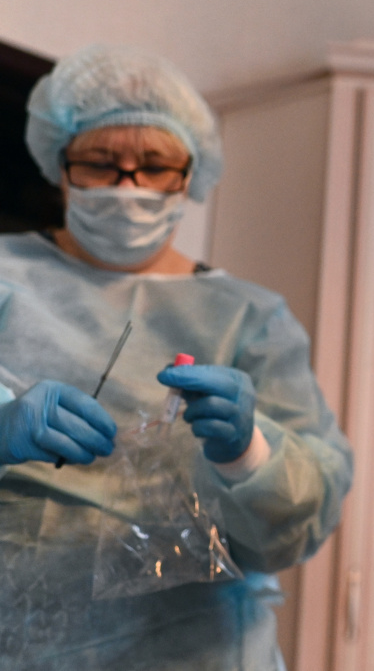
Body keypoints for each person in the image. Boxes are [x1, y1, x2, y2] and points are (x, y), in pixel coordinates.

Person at [0, 44, 353, 670]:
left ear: (189, 176)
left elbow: (303, 520)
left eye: (155, 165)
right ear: (60, 167)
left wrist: (248, 451)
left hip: (199, 650)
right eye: (100, 163)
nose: (128, 186)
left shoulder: (249, 316)